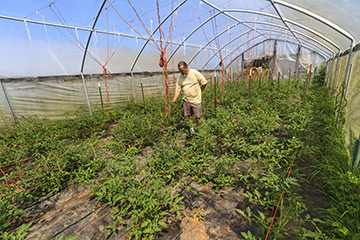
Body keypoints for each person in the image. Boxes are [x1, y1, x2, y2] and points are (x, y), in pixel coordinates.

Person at [172, 61, 208, 131]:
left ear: (186, 67)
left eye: (182, 70)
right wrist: (173, 101)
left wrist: (200, 91)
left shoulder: (194, 73)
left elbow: (204, 83)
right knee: (188, 117)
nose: (181, 72)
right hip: (186, 101)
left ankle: (199, 131)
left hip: (196, 101)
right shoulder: (180, 78)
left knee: (198, 117)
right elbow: (177, 90)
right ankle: (192, 131)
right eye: (180, 71)